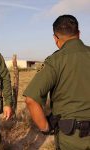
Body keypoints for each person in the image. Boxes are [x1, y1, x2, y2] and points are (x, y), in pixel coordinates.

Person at [23, 15, 90, 150]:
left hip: (71, 137)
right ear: (79, 33)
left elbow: (30, 99)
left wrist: (46, 128)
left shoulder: (55, 61)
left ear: (55, 38)